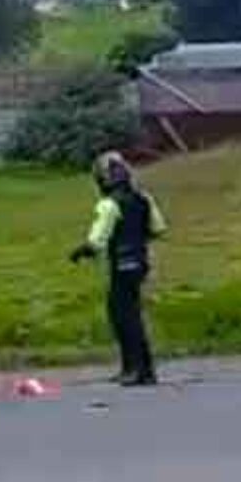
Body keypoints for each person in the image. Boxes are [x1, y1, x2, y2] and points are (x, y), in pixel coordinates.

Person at [69, 152, 166, 387]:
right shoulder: (144, 199)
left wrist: (81, 251)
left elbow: (97, 239)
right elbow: (158, 228)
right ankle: (141, 368)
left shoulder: (109, 205)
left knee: (122, 316)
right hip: (140, 261)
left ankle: (135, 369)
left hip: (121, 264)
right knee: (133, 313)